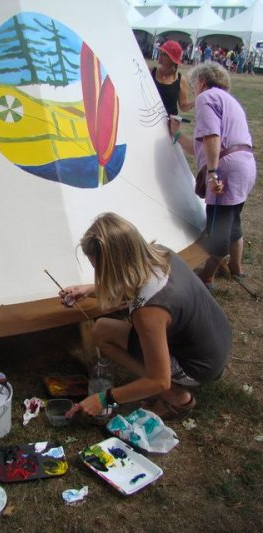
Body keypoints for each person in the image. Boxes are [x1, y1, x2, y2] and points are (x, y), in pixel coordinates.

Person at [61, 212, 232, 420]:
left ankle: (176, 397)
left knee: (104, 336)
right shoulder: (160, 253)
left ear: (117, 265)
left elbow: (159, 380)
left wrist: (104, 399)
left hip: (198, 367)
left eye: (100, 269)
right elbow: (131, 285)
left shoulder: (148, 311)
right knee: (101, 329)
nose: (99, 274)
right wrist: (89, 290)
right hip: (217, 345)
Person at [169, 63, 256, 290]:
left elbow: (212, 138)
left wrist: (212, 173)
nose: (194, 89)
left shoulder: (206, 97)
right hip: (245, 165)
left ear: (202, 81)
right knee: (232, 219)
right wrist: (176, 134)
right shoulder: (229, 100)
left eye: (194, 84)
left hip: (226, 170)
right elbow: (200, 148)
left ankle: (206, 278)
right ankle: (236, 268)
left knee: (218, 230)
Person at [150, 40, 194, 116]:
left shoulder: (180, 80)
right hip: (149, 119)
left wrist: (197, 101)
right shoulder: (150, 72)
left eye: (164, 54)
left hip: (169, 121)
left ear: (172, 59)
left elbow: (183, 106)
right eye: (160, 52)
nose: (160, 56)